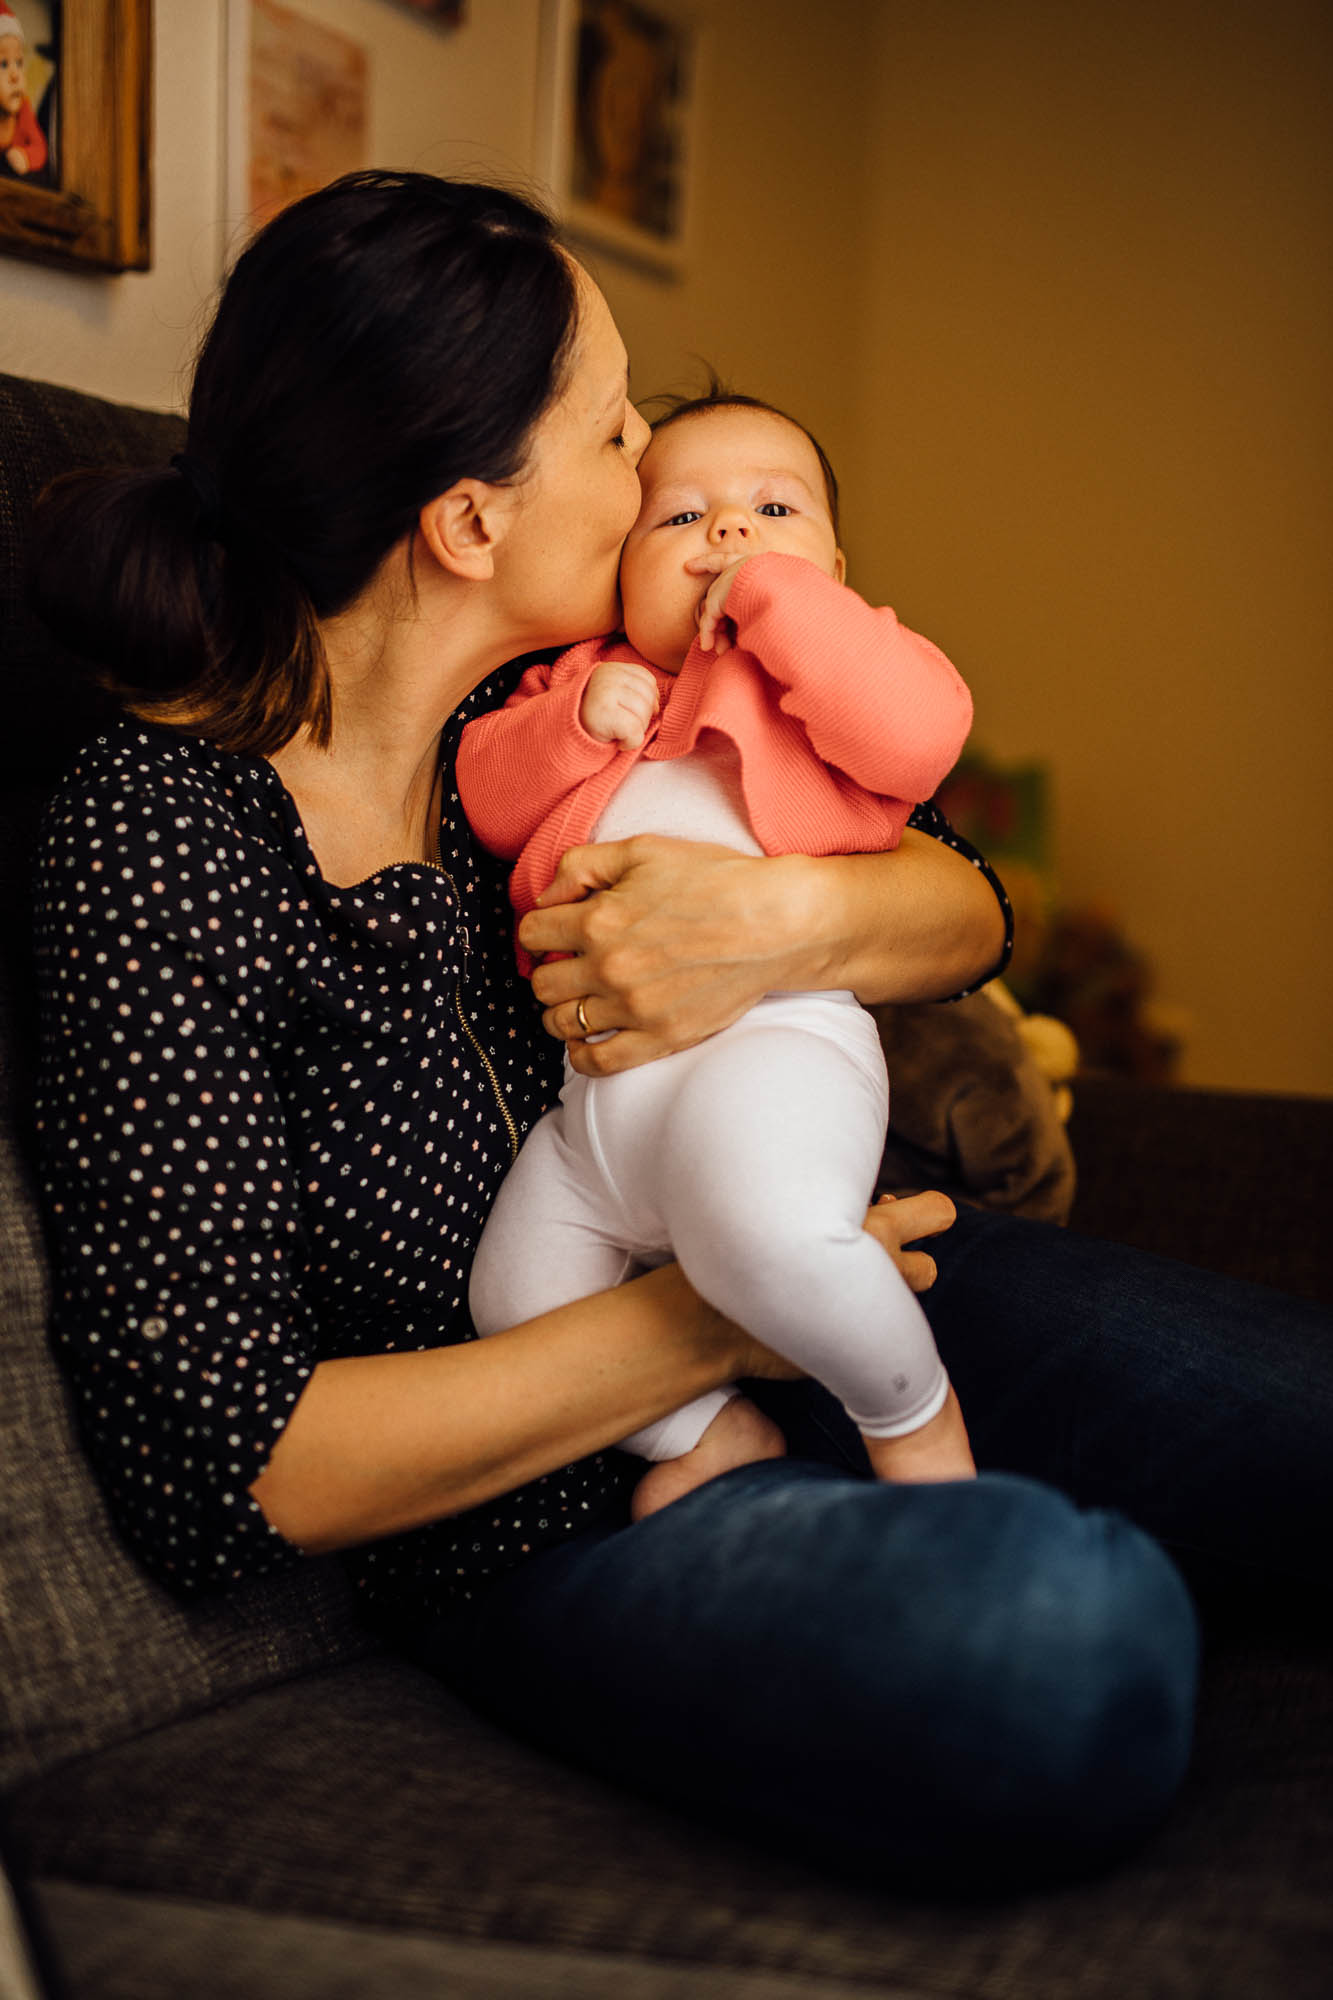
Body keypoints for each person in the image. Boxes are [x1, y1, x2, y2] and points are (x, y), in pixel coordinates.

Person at [26, 170, 1329, 1896]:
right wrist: (726, 1314)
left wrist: (785, 923)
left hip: (865, 1274)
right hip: (544, 1515)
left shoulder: (554, 695)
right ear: (468, 524)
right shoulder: (158, 838)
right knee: (1054, 1645)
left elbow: (957, 901)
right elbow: (235, 1464)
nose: (655, 466)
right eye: (610, 424)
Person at [459, 392, 977, 1513]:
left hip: (772, 1050)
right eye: (679, 517)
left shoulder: (823, 697)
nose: (728, 532)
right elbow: (488, 796)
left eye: (773, 508)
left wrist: (781, 605)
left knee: (769, 1235)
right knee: (512, 1294)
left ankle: (917, 1425)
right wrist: (575, 718)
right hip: (593, 1124)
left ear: (835, 564)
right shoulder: (582, 676)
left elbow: (921, 733)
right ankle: (707, 1434)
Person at [0, 9, 48, 179]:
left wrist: (26, 157)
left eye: (19, 62)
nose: (15, 75)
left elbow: (40, 147)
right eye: (3, 65)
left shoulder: (23, 108)